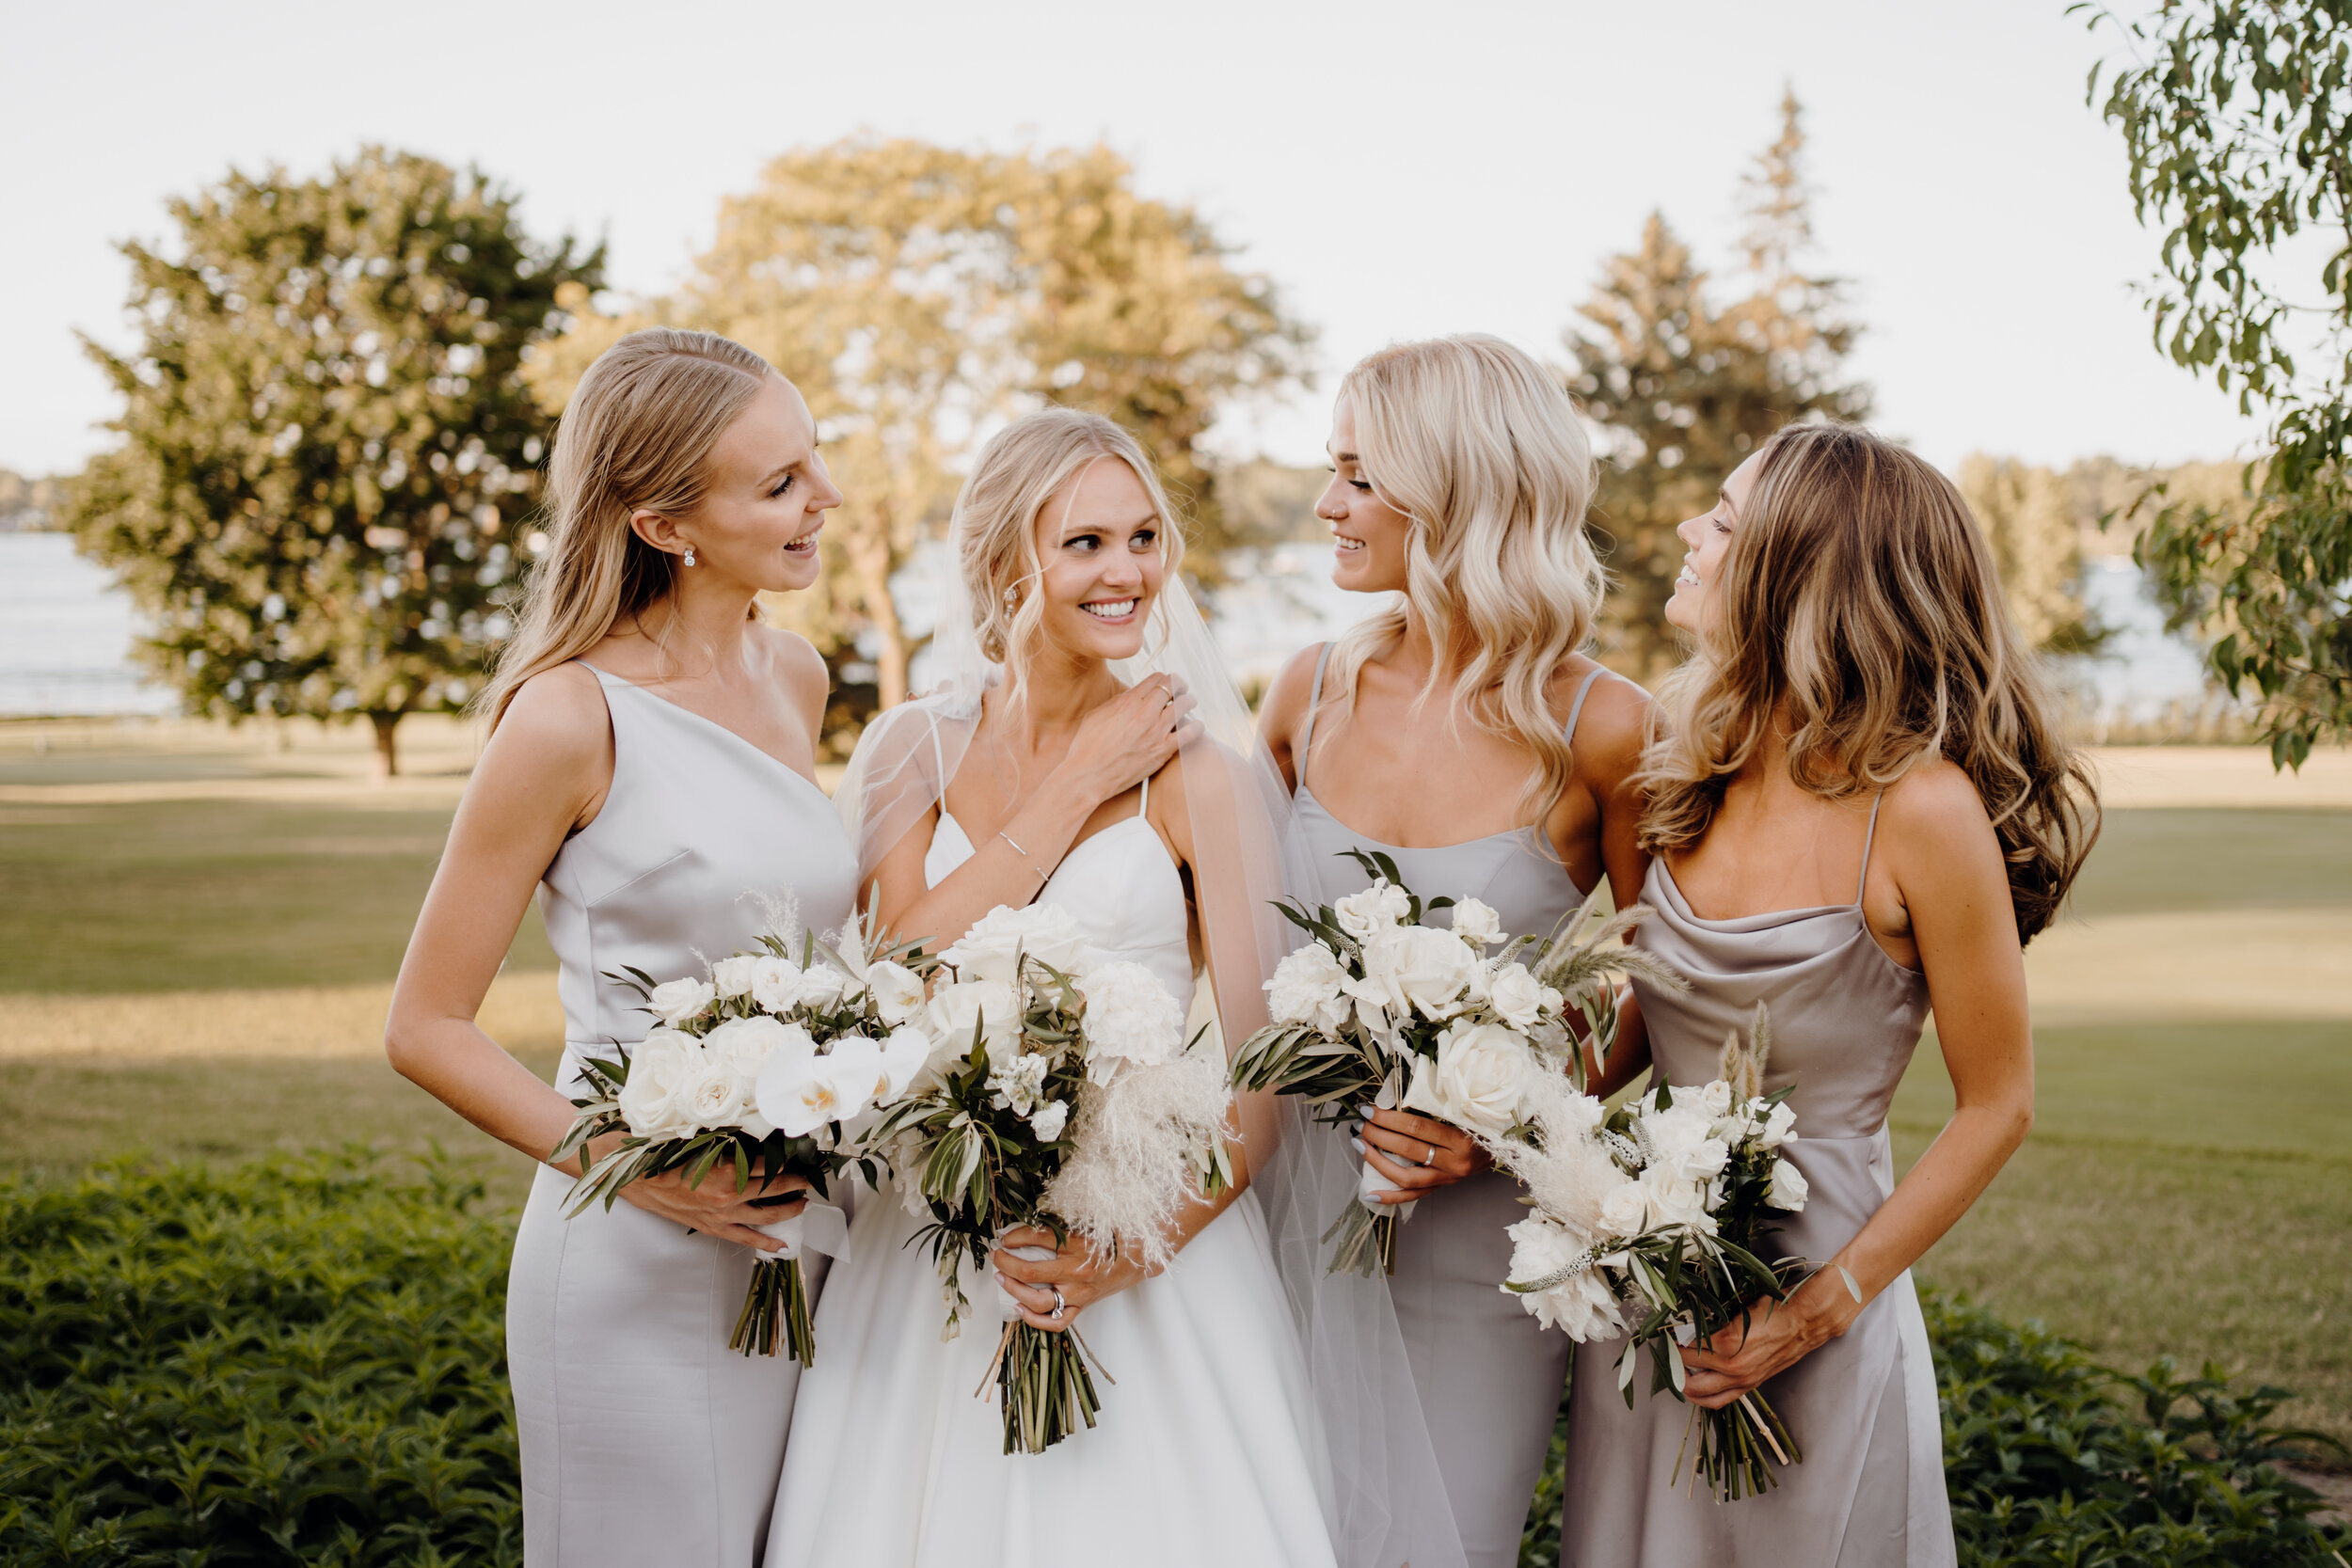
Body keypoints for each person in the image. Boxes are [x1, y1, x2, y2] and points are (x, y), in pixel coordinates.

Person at [770, 407, 1457, 1568]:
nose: (1128, 571)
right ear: (1004, 561)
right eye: (1084, 542)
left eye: (1143, 537)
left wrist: (1120, 1250)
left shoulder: (1201, 772)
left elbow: (1264, 1076)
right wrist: (1072, 786)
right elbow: (884, 984)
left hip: (1144, 1241)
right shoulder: (906, 751)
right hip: (932, 1248)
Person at [1559, 422, 2098, 1565]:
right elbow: (1647, 1025)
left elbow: (1996, 1104)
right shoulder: (1686, 761)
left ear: (1796, 571)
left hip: (1819, 1305)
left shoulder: (1923, 808)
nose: (1688, 534)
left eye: (1721, 516)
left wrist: (1811, 1313)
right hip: (1659, 1301)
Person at [385, 327, 858, 1567]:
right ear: (663, 521)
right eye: (781, 483)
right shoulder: (566, 715)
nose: (828, 498)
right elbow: (423, 1024)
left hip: (798, 1242)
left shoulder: (796, 674)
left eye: (815, 461)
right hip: (632, 1256)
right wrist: (636, 1164)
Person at [1255, 334, 1652, 1567]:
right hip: (1274, 1211)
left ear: (1455, 487)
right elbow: (1229, 954)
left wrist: (1504, 1114)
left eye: (1358, 474)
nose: (1328, 502)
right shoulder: (1302, 693)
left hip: (1477, 1237)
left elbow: (1667, 978)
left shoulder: (1606, 723)